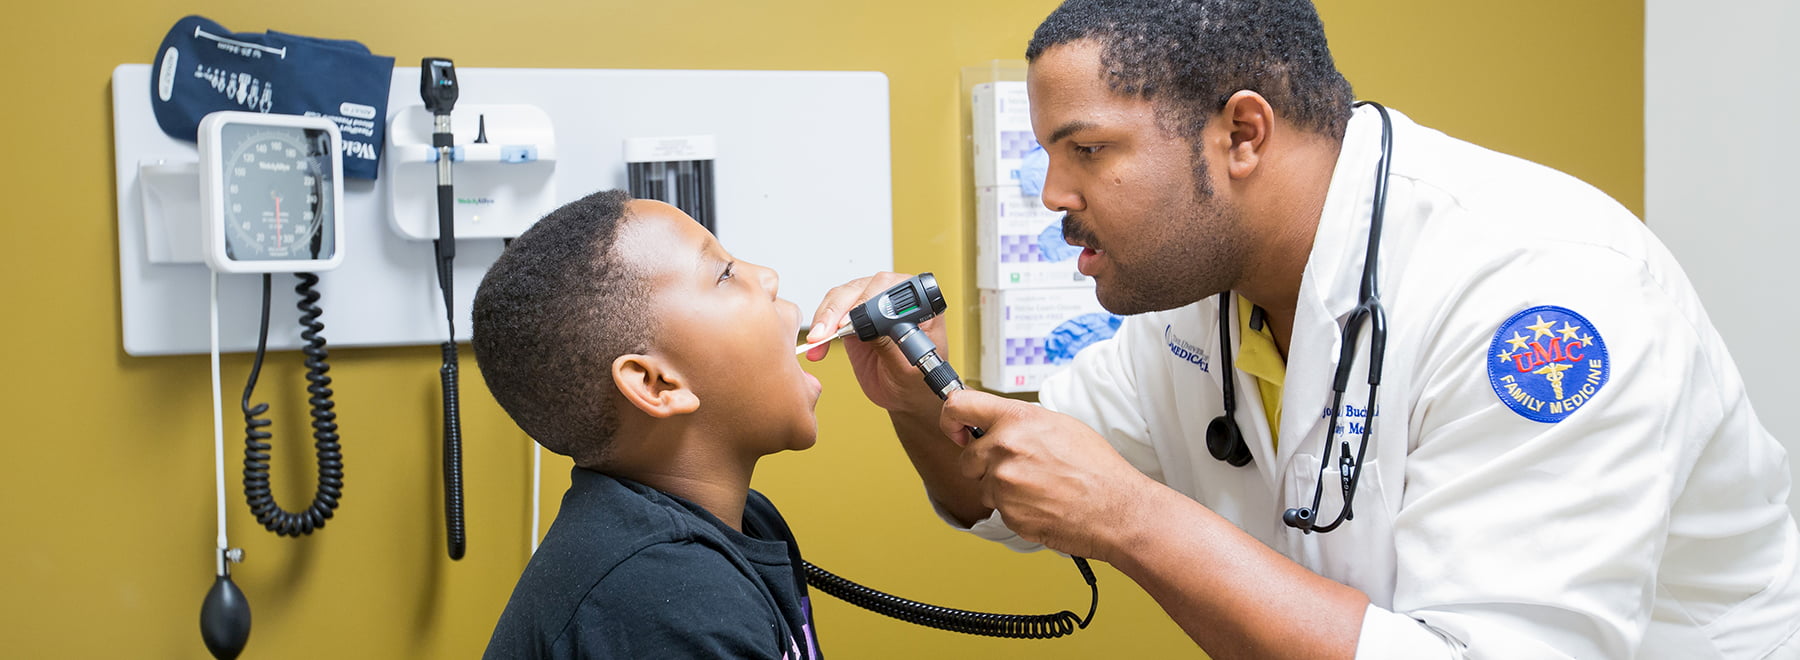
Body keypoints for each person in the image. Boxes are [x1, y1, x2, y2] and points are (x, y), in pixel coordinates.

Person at [807, 1, 1800, 658]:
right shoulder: (1202, 288)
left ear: (1242, 133)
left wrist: (1134, 519)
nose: (1055, 195)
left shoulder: (1540, 288)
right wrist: (911, 397)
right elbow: (1009, 485)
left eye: (1088, 150)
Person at [475, 189, 824, 659]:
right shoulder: (664, 594)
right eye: (724, 274)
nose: (768, 278)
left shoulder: (748, 523)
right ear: (656, 384)